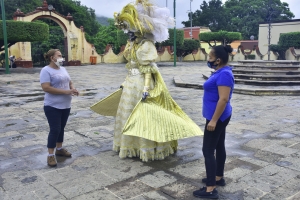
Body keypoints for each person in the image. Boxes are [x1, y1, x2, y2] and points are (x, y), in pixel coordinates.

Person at [90, 0, 203, 162]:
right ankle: (131, 145)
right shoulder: (134, 46)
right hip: (131, 83)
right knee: (128, 114)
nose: (130, 35)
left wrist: (145, 88)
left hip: (143, 83)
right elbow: (131, 66)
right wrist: (125, 81)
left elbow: (148, 69)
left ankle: (148, 147)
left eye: (133, 33)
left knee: (146, 115)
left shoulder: (146, 46)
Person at [193, 45, 234, 199]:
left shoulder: (224, 74)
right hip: (218, 116)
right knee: (218, 145)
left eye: (210, 57)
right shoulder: (220, 71)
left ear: (218, 60)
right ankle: (218, 177)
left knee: (208, 150)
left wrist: (214, 120)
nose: (208, 60)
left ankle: (210, 189)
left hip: (217, 117)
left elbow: (223, 99)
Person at [40, 49, 79, 167]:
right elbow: (46, 88)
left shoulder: (63, 69)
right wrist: (66, 91)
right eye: (59, 56)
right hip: (52, 105)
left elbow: (70, 81)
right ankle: (50, 155)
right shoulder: (46, 70)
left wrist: (73, 88)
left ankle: (59, 148)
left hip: (65, 105)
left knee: (61, 127)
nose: (62, 58)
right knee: (55, 129)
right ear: (52, 58)